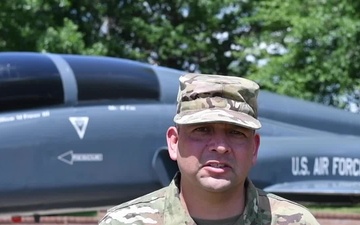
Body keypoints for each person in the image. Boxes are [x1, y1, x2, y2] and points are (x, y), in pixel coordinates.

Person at [99, 73, 320, 225]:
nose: (221, 147)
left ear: (254, 148)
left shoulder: (296, 221)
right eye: (202, 130)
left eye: (236, 133)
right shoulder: (124, 222)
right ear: (174, 143)